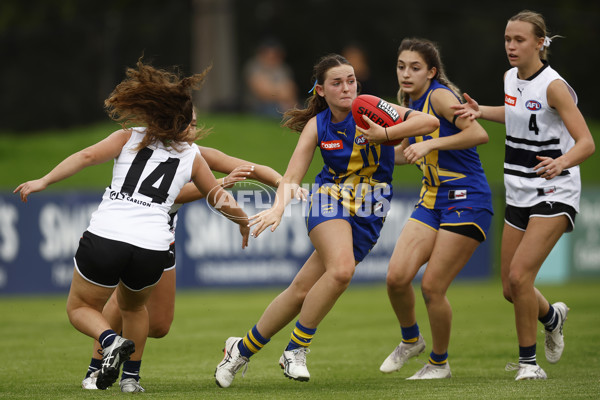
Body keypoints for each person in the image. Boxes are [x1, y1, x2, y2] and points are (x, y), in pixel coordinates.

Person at [14, 59, 250, 392]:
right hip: (153, 244)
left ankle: (109, 341)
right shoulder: (192, 156)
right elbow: (216, 197)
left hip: (108, 235)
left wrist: (44, 180)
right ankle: (130, 380)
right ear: (180, 121)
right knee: (135, 308)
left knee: (80, 307)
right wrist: (243, 223)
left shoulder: (128, 137)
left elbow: (84, 157)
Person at [213, 53, 440, 388]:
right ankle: (296, 349)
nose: (347, 87)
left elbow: (428, 123)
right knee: (342, 269)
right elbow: (291, 176)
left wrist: (386, 135)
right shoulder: (317, 126)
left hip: (370, 212)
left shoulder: (372, 106)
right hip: (328, 200)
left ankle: (240, 349)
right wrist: (277, 208)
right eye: (337, 82)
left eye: (351, 80)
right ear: (321, 90)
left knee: (301, 289)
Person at [452, 10, 595, 380]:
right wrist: (481, 111)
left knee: (520, 277)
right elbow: (518, 114)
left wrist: (561, 162)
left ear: (539, 43)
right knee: (509, 288)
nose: (511, 46)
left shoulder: (554, 86)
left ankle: (529, 366)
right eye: (507, 39)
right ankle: (552, 316)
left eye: (518, 40)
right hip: (518, 189)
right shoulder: (509, 78)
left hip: (554, 188)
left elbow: (587, 143)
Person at [80, 134, 284, 391]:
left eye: (195, 121)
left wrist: (285, 183)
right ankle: (97, 369)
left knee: (159, 325)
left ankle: (116, 350)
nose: (193, 127)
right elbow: (175, 194)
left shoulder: (195, 152)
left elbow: (250, 169)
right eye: (188, 120)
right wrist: (218, 183)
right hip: (130, 234)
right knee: (125, 303)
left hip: (161, 241)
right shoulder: (145, 145)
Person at [377, 38, 493, 380]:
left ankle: (439, 364)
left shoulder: (440, 95)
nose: (406, 73)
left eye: (415, 68)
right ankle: (411, 340)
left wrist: (432, 141)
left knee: (432, 287)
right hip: (431, 199)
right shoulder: (406, 105)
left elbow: (479, 134)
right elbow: (403, 154)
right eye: (401, 66)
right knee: (396, 278)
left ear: (431, 72)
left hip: (467, 197)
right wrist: (369, 150)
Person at [243, 38, 298, 118]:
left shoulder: (283, 68)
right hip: (259, 106)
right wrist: (282, 95)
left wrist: (291, 103)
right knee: (276, 112)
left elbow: (291, 89)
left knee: (306, 110)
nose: (272, 55)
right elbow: (262, 92)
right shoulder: (254, 67)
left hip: (283, 103)